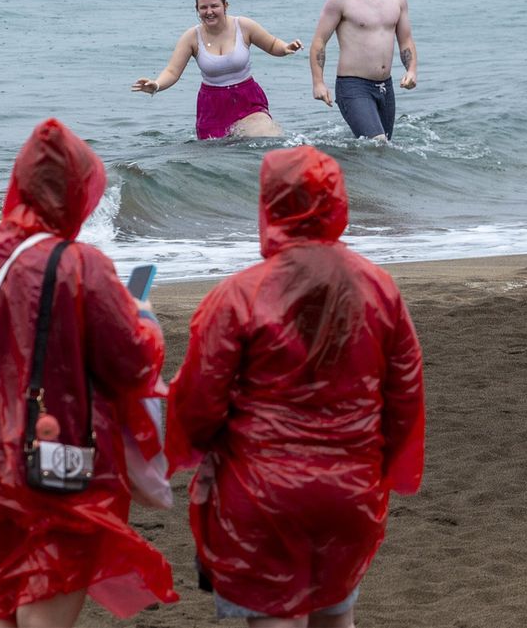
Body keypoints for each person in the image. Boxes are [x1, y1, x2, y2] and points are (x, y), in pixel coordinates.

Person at [165, 145, 425, 628]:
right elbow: (405, 393)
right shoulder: (379, 288)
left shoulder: (237, 296)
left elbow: (199, 404)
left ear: (270, 205)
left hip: (261, 492)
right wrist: (379, 464)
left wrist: (185, 445)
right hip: (350, 489)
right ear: (338, 203)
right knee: (336, 613)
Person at [0, 118, 178, 628]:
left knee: (0, 599)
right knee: (47, 590)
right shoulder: (83, 266)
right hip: (56, 455)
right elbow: (132, 363)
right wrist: (146, 318)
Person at [133, 0, 303, 140]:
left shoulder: (243, 26)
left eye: (214, 6)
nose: (209, 11)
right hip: (212, 105)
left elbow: (272, 44)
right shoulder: (191, 37)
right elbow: (172, 71)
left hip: (247, 98)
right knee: (217, 156)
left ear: (225, 6)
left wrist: (285, 48)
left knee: (267, 137)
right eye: (203, 7)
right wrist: (156, 85)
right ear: (197, 10)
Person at [308, 0, 417, 142]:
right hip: (353, 85)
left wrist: (411, 71)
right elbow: (319, 41)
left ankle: (351, 169)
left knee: (382, 149)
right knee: (377, 142)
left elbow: (406, 40)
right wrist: (318, 83)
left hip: (386, 86)